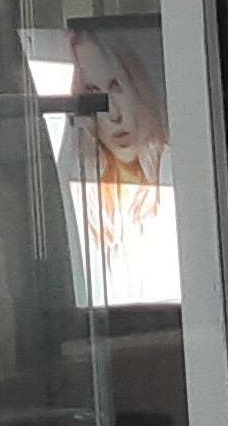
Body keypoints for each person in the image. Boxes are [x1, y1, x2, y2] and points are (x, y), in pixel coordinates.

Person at [59, 25, 179, 308]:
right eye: (93, 93)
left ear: (137, 85)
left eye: (116, 87)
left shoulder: (174, 170)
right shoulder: (87, 191)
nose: (113, 114)